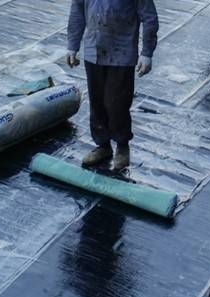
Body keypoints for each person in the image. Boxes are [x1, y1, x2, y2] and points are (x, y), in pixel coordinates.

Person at [66, 0, 159, 171]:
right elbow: (77, 10)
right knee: (97, 102)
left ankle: (122, 146)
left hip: (121, 53)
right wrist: (72, 46)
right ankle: (103, 146)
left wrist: (147, 52)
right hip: (93, 49)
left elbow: (149, 17)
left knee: (117, 103)